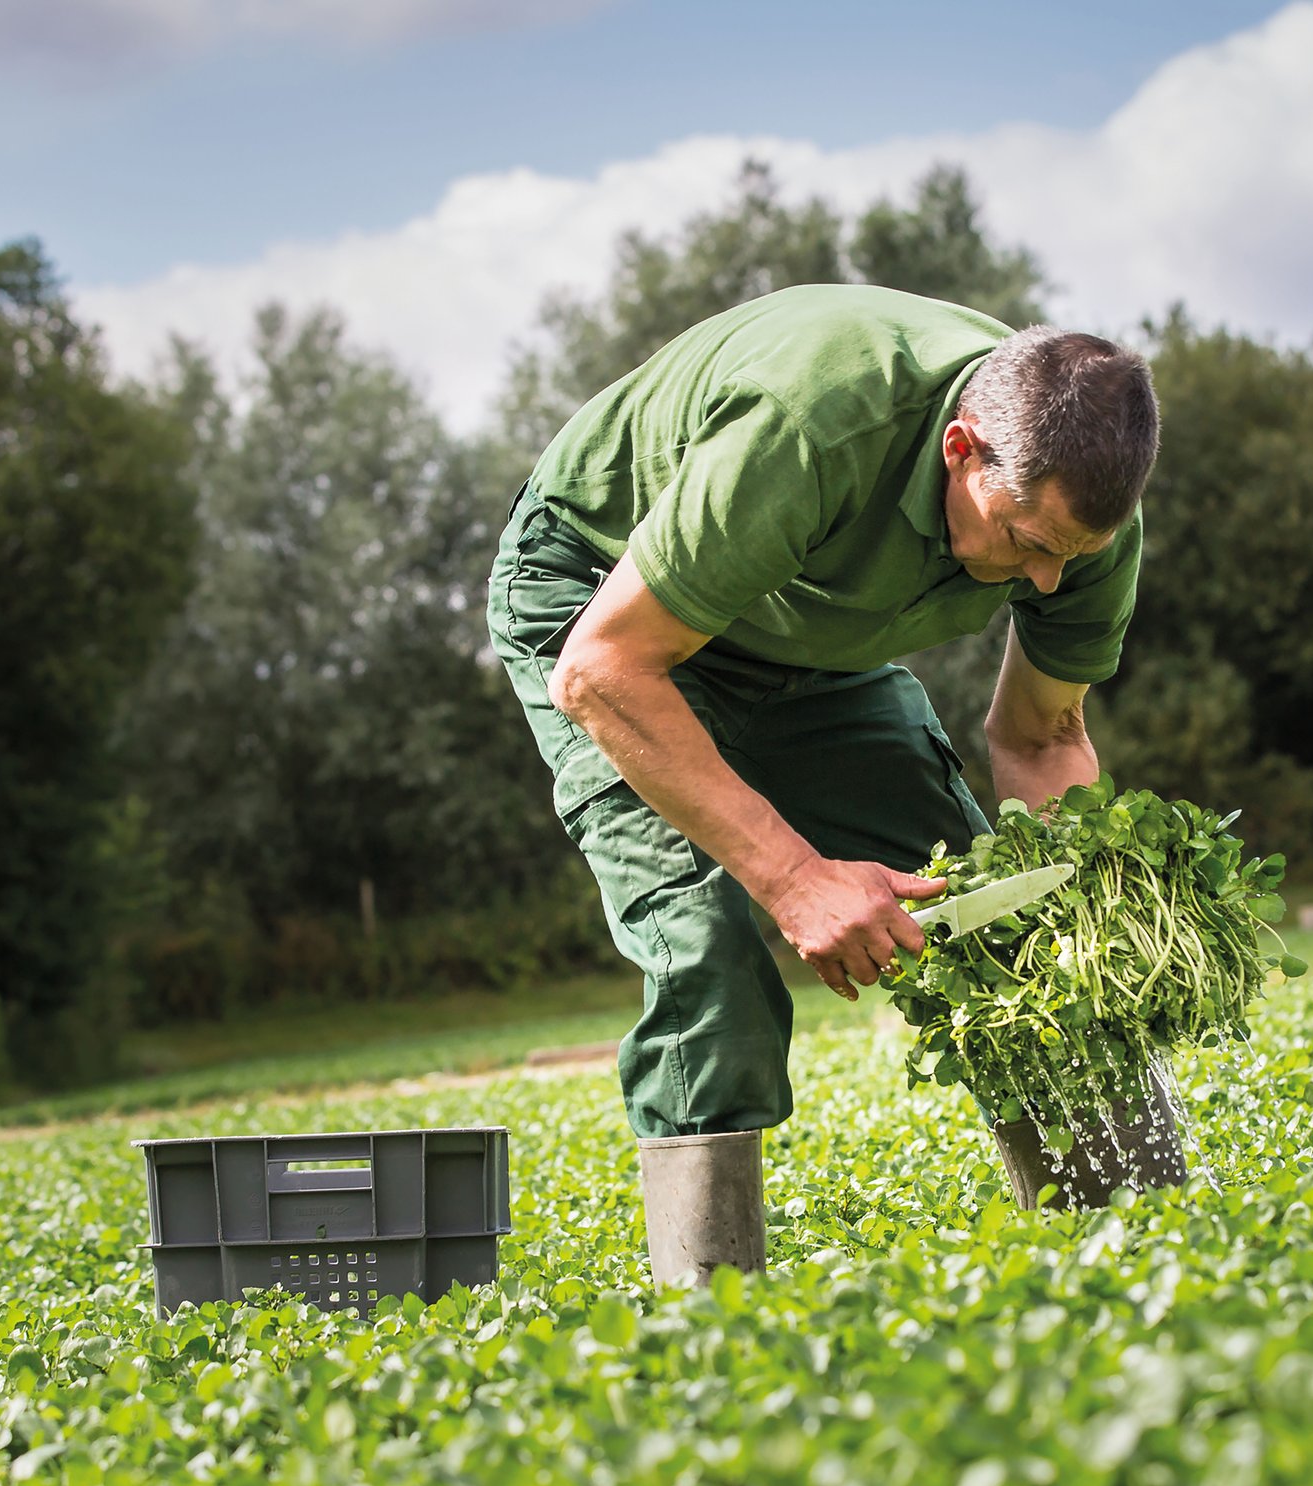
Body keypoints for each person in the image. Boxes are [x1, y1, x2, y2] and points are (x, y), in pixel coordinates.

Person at [486, 284, 1159, 1283]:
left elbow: (1042, 731)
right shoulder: (811, 429)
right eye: (1024, 543)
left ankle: (1140, 1240)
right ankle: (714, 1317)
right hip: (601, 603)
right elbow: (604, 671)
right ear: (961, 450)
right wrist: (798, 879)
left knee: (993, 918)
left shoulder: (1078, 528)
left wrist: (1085, 913)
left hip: (804, 640)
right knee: (707, 946)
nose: (1047, 581)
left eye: (1074, 557)